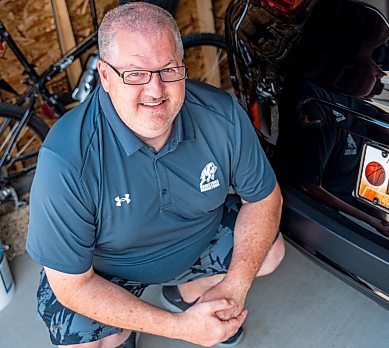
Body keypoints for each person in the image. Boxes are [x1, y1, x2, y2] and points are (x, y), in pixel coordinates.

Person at [26, 2, 284, 347]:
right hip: (109, 271)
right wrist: (181, 329)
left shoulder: (220, 115)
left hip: (196, 243)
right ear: (105, 76)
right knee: (86, 345)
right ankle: (122, 330)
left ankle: (189, 293)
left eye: (168, 70)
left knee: (269, 251)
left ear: (183, 67)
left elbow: (265, 200)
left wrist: (234, 287)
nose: (155, 90)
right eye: (135, 74)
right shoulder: (67, 158)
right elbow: (72, 285)